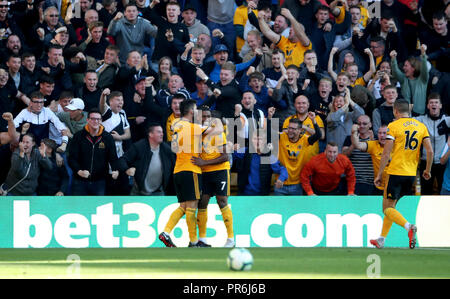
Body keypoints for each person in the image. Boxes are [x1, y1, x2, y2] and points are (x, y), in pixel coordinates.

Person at [371, 99, 433, 249]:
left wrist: (379, 174)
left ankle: (408, 227)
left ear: (395, 111)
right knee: (392, 207)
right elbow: (430, 151)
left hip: (395, 171)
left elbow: (386, 153)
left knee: (386, 208)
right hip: (411, 174)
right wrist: (427, 170)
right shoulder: (421, 126)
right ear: (408, 111)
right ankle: (381, 239)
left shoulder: (393, 126)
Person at [158, 99, 208, 248]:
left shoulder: (176, 126)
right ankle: (193, 242)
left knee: (184, 207)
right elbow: (216, 130)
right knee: (192, 207)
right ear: (192, 111)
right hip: (191, 169)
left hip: (178, 170)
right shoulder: (191, 127)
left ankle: (166, 232)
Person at [192, 107, 234, 248]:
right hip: (204, 172)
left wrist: (204, 162)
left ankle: (231, 239)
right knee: (202, 203)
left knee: (222, 201)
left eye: (208, 116)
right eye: (203, 116)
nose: (206, 119)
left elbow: (225, 156)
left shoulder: (217, 133)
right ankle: (202, 239)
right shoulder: (196, 133)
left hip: (220, 170)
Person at [68, 108, 119, 196]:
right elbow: (72, 158)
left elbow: (113, 158)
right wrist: (79, 171)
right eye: (93, 119)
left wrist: (116, 170)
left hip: (100, 181)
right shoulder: (78, 136)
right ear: (88, 120)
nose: (95, 121)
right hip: (80, 180)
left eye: (98, 119)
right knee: (78, 208)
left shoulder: (107, 137)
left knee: (98, 208)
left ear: (101, 121)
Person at [118, 124, 176, 196]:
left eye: (162, 132)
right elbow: (123, 160)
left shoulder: (166, 149)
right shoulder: (139, 146)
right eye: (159, 132)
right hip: (138, 191)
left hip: (158, 191)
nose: (162, 134)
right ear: (150, 134)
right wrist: (126, 169)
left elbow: (175, 167)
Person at [277, 116, 321, 196]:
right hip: (280, 184)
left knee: (295, 208)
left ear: (300, 130)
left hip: (297, 185)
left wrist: (313, 121)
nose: (290, 131)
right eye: (289, 128)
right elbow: (268, 134)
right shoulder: (282, 137)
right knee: (279, 209)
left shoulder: (305, 140)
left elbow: (318, 135)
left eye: (293, 129)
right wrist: (270, 118)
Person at [414, 93, 447, 195]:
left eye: (436, 102)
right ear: (428, 106)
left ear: (440, 105)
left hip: (442, 162)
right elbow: (406, 119)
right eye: (431, 102)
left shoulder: (446, 120)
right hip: (426, 162)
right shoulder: (421, 120)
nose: (434, 105)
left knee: (443, 191)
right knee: (425, 192)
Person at [390, 44, 429, 116]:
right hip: (406, 114)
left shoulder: (422, 79)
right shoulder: (404, 79)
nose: (404, 68)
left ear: (413, 68)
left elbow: (424, 69)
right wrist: (393, 58)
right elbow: (395, 72)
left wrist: (423, 54)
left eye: (406, 66)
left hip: (420, 115)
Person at [342, 115, 376, 195]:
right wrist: (354, 143)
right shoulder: (349, 138)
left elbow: (378, 157)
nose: (361, 126)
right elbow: (344, 156)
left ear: (370, 125)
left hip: (369, 181)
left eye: (364, 124)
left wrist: (372, 142)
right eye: (359, 124)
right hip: (353, 181)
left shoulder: (376, 139)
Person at [351, 124, 389, 195]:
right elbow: (358, 145)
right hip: (378, 187)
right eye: (379, 133)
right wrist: (354, 132)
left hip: (394, 186)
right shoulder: (374, 145)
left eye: (384, 133)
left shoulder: (396, 146)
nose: (382, 135)